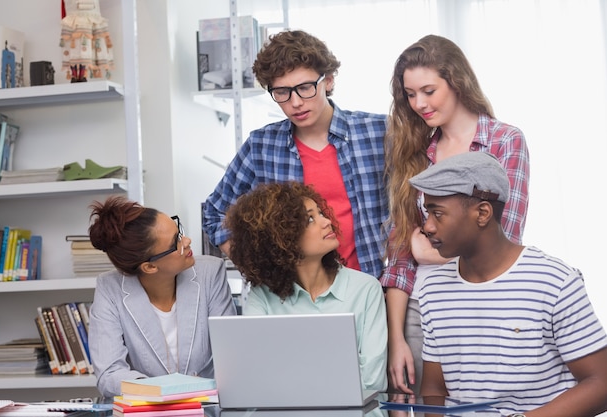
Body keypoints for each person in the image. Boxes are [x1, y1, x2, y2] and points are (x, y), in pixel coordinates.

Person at [382, 34, 530, 395]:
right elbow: (401, 259)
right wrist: (396, 338)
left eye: (429, 91)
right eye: (410, 94)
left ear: (457, 82)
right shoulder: (414, 151)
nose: (419, 103)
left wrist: (427, 251)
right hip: (422, 308)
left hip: (486, 305)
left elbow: (503, 235)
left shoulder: (504, 141)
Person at [411, 152, 607, 417]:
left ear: (482, 213)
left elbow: (601, 384)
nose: (428, 227)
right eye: (427, 213)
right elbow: (435, 389)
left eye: (438, 214)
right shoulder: (433, 288)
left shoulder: (554, 281)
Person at [202, 29, 388, 279]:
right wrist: (258, 267)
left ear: (329, 80)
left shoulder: (378, 132)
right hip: (293, 296)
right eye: (282, 92)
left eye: (305, 87)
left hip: (369, 288)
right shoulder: (262, 145)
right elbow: (214, 212)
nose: (296, 102)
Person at [224, 181, 388, 391]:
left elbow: (372, 381)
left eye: (320, 213)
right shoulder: (262, 297)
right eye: (310, 219)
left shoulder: (366, 289)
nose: (327, 221)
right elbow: (256, 378)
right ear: (281, 237)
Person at [87, 196, 237, 397]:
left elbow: (230, 357)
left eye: (179, 231)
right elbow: (109, 375)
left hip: (207, 408)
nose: (187, 240)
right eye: (176, 242)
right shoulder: (110, 289)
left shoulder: (211, 273)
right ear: (149, 267)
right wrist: (165, 392)